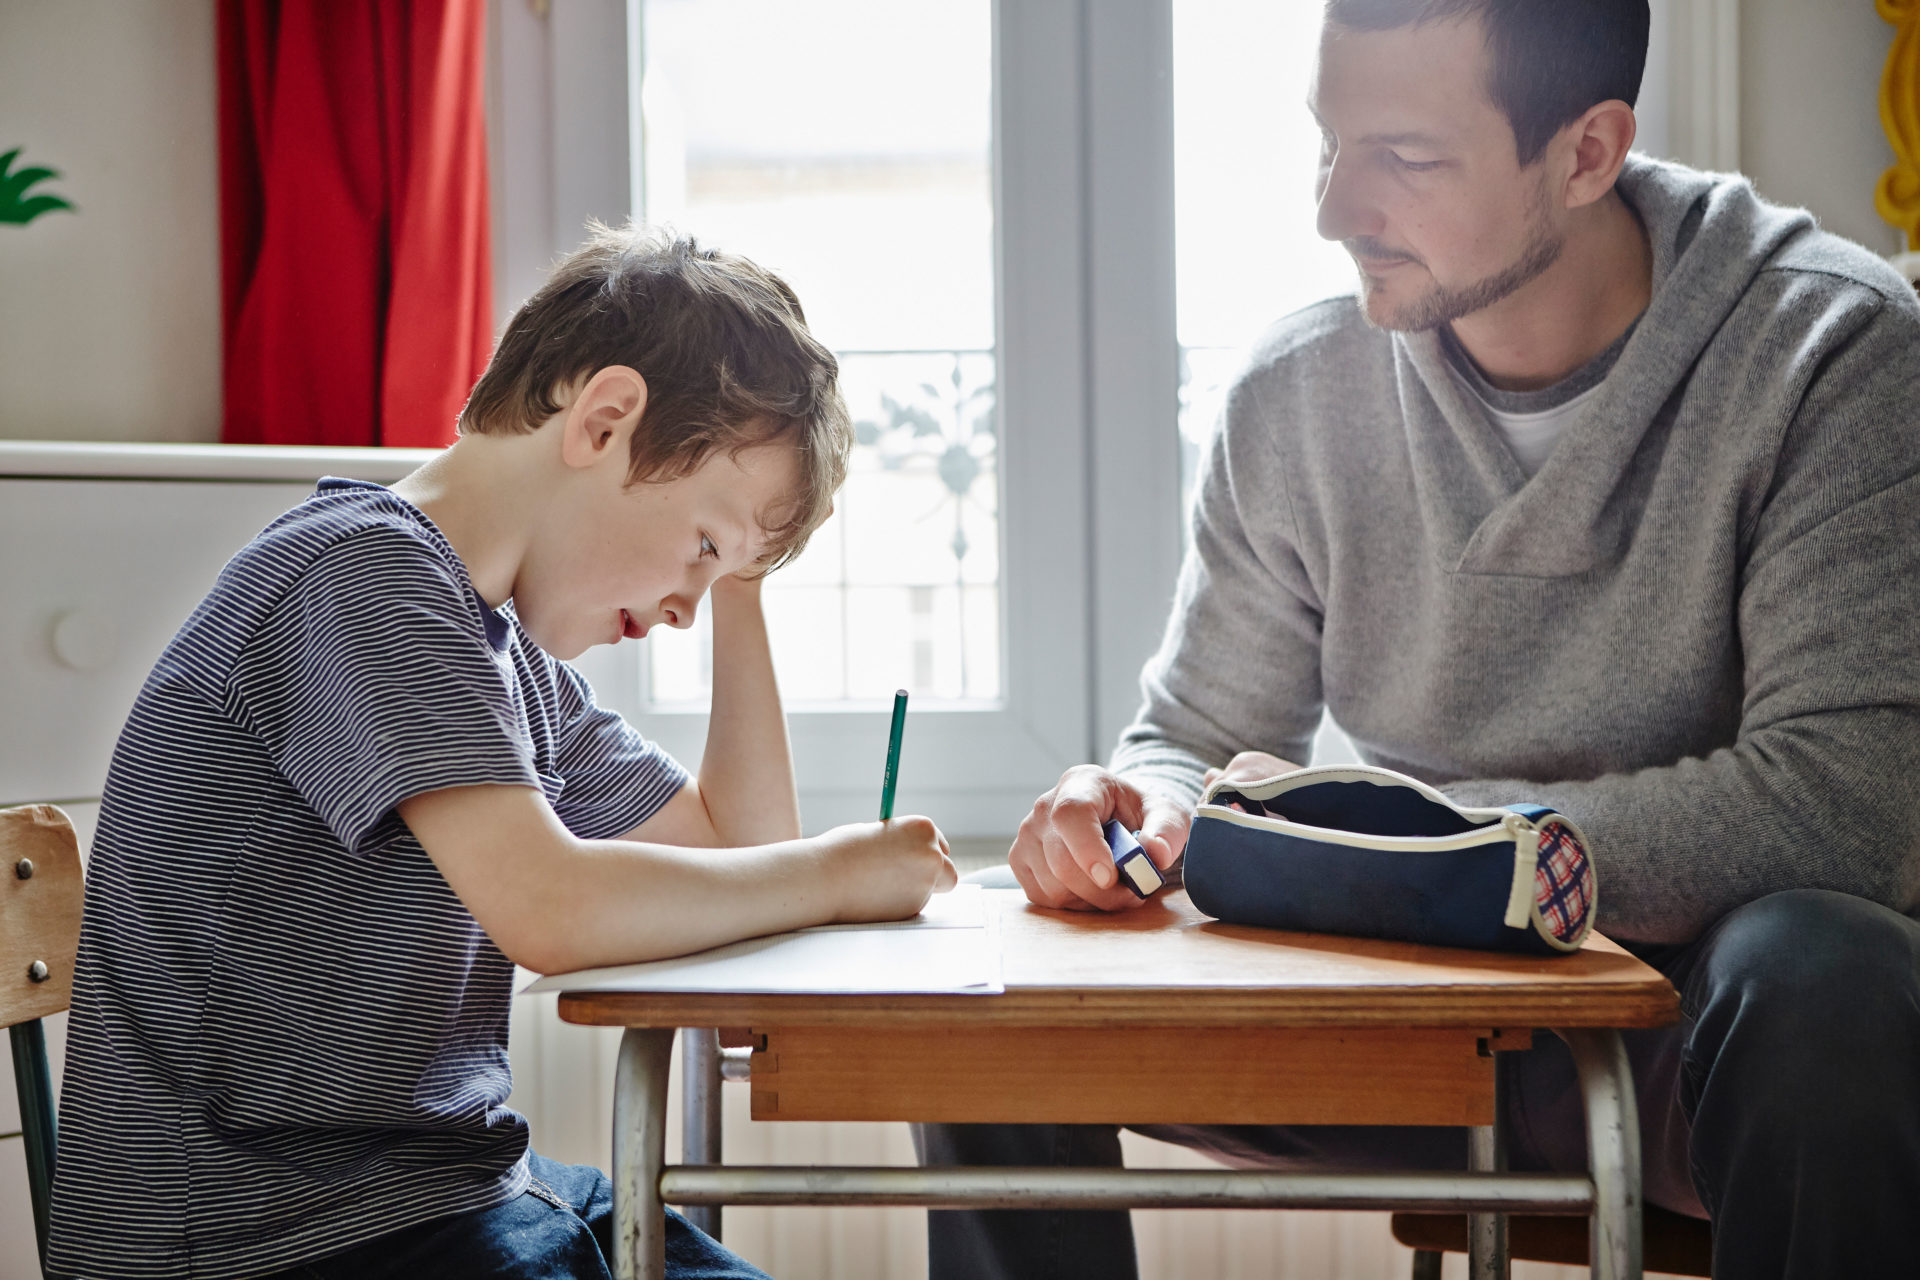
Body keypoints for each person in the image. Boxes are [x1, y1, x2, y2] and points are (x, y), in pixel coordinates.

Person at [920, 1, 1920, 1277]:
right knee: (990, 984)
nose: (1337, 208)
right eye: (1329, 144)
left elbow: (1846, 812)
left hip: (1701, 1034)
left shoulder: (1837, 348)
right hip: (1403, 1001)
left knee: (1824, 973)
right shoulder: (1295, 394)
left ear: (1586, 152)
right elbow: (1198, 734)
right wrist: (1132, 805)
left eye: (1407, 156)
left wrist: (1441, 860)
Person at [47, 226, 957, 1280]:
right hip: (264, 1236)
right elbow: (554, 907)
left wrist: (746, 563)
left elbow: (737, 849)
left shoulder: (501, 654)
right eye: (699, 549)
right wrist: (843, 872)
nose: (681, 611)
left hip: (433, 1196)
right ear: (605, 420)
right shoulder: (361, 576)